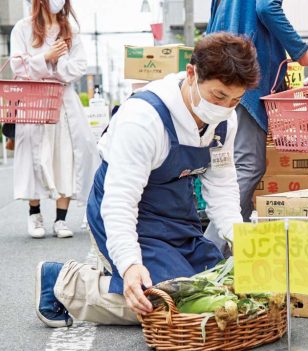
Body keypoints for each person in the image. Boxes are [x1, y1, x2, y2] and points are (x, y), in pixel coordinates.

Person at [34, 33, 260, 327]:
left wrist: (240, 239)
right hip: (124, 212)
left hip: (176, 214)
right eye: (218, 96)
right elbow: (120, 202)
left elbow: (222, 186)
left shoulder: (225, 119)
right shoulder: (144, 118)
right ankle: (65, 281)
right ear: (191, 74)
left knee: (217, 286)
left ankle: (128, 272)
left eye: (236, 100)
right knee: (172, 301)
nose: (225, 107)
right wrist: (129, 265)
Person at [206, 0, 308, 229]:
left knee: (232, 166)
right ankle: (211, 249)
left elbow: (214, 16)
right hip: (244, 71)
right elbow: (267, 7)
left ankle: (236, 252)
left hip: (223, 68)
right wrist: (301, 50)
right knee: (249, 164)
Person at [10, 0, 99, 238]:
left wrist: (54, 63)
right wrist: (46, 57)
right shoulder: (22, 28)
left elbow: (78, 66)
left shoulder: (69, 30)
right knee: (33, 156)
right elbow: (17, 66)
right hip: (33, 102)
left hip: (64, 101)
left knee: (67, 155)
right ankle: (34, 213)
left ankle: (61, 220)